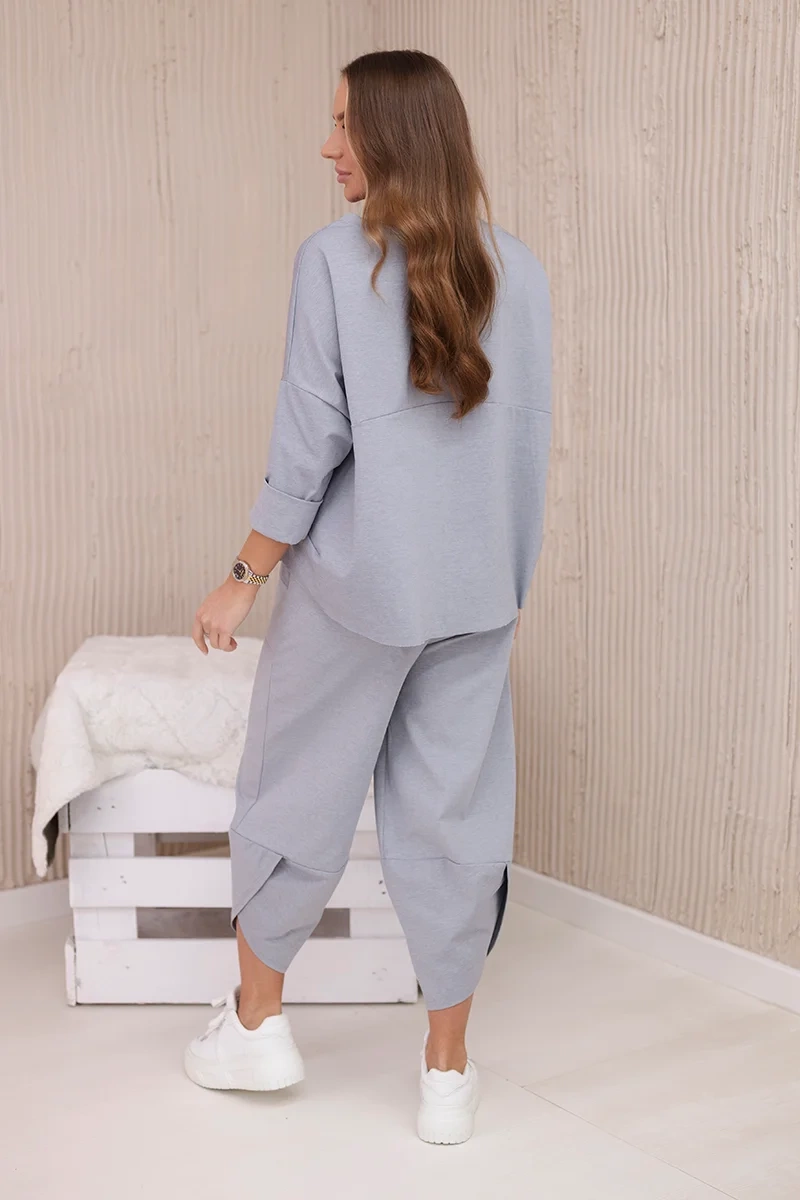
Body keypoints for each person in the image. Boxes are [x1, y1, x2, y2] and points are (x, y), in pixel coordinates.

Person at [184, 49, 551, 1145]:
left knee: (293, 790)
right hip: (475, 591)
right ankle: (447, 1075)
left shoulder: (335, 263)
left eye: (343, 124)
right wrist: (500, 579)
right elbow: (523, 448)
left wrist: (242, 578)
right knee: (452, 819)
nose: (327, 147)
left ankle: (258, 1029)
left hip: (357, 591)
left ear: (394, 133)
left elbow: (310, 441)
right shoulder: (521, 272)